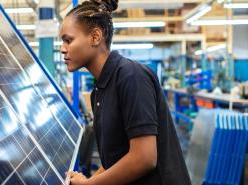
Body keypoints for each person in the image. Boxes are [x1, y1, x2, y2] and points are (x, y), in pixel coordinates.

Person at [59, 0, 191, 185]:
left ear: (95, 37)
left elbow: (144, 158)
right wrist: (89, 181)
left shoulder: (131, 76)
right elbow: (117, 158)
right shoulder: (100, 89)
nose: (62, 48)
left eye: (68, 40)